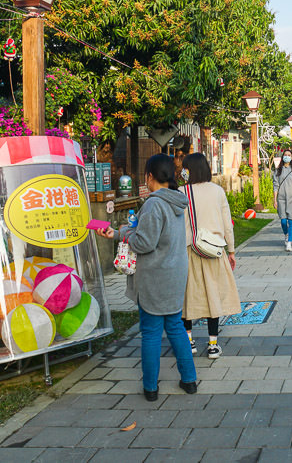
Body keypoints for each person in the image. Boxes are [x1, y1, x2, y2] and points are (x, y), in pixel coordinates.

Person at [95, 154, 197, 402]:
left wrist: (123, 235)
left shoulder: (153, 204)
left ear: (149, 177)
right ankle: (190, 380)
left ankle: (151, 388)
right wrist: (122, 231)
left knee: (151, 332)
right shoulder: (177, 201)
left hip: (155, 276)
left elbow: (144, 243)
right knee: (175, 328)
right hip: (175, 272)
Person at [180, 153, 240, 360]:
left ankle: (189, 342)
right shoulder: (217, 191)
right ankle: (213, 345)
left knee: (188, 297)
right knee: (213, 296)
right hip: (214, 250)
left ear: (187, 170)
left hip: (189, 250)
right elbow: (226, 223)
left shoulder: (181, 192)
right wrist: (231, 251)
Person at [273, 150, 292, 251]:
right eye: (285, 155)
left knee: (291, 221)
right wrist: (275, 200)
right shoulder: (278, 170)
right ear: (282, 156)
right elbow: (275, 185)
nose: (287, 157)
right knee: (283, 221)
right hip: (281, 199)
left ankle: (289, 242)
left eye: (289, 155)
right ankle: (286, 234)